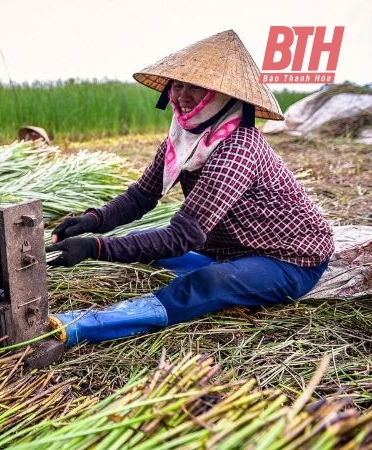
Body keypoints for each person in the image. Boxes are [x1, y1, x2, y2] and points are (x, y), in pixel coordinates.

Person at [45, 30, 334, 347]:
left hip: (289, 260)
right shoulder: (183, 140)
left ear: (223, 96)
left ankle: (84, 325)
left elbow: (182, 237)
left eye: (196, 87)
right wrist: (93, 220)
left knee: (208, 282)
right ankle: (233, 269)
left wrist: (95, 248)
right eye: (178, 85)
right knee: (142, 240)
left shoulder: (238, 148)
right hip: (231, 250)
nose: (182, 96)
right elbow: (142, 196)